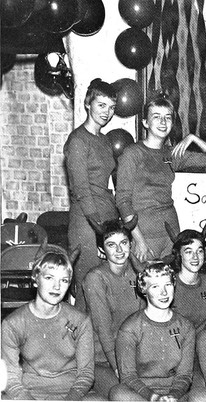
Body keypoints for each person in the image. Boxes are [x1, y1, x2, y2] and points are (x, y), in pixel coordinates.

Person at [116, 95, 206, 261]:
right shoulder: (132, 153)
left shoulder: (172, 154)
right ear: (145, 123)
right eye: (156, 117)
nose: (163, 122)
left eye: (167, 117)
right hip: (144, 234)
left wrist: (193, 138)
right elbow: (122, 201)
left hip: (171, 233)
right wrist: (139, 240)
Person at [111, 262, 206, 401]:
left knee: (204, 396)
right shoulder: (130, 327)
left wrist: (173, 396)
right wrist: (154, 398)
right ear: (144, 289)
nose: (163, 292)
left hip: (175, 394)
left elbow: (184, 375)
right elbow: (128, 377)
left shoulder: (186, 327)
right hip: (141, 395)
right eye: (155, 286)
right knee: (118, 393)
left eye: (168, 285)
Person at [1, 252, 95, 400]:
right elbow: (11, 377)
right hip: (31, 392)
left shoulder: (80, 320)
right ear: (35, 279)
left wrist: (70, 399)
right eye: (49, 278)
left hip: (72, 392)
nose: (57, 286)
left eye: (64, 280)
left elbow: (86, 374)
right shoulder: (13, 323)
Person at [64, 78, 118, 311]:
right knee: (87, 289)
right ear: (88, 104)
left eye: (112, 107)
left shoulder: (104, 140)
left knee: (104, 291)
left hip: (106, 218)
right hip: (88, 224)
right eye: (101, 105)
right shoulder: (77, 140)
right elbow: (82, 190)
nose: (107, 112)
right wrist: (99, 231)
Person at [83, 220, 145, 398]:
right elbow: (103, 329)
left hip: (133, 356)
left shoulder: (138, 273)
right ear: (101, 250)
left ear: (131, 244)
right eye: (111, 245)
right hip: (103, 359)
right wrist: (119, 369)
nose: (119, 250)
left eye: (123, 243)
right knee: (127, 395)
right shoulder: (95, 278)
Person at [170, 229, 206, 391]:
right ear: (179, 255)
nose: (195, 257)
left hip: (200, 352)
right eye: (188, 251)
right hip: (175, 351)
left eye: (200, 251)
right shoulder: (170, 284)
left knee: (204, 335)